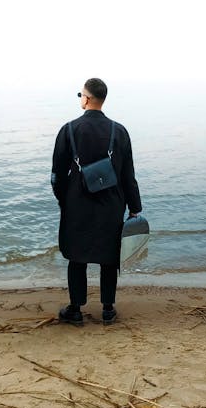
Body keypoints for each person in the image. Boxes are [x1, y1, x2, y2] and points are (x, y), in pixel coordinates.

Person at [51, 78, 142, 325]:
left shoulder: (68, 130)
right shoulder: (119, 131)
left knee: (76, 256)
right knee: (109, 256)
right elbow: (128, 175)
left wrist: (63, 199)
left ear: (87, 98)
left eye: (81, 94)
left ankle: (76, 310)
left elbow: (57, 174)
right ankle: (108, 309)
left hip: (76, 203)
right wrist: (135, 208)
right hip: (112, 203)